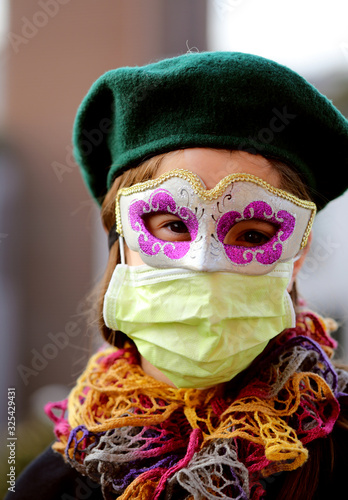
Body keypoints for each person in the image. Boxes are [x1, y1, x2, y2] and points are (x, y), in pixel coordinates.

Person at [8, 51, 348, 500]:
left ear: (296, 255)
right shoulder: (52, 487)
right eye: (172, 225)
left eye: (250, 234)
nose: (203, 263)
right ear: (121, 238)